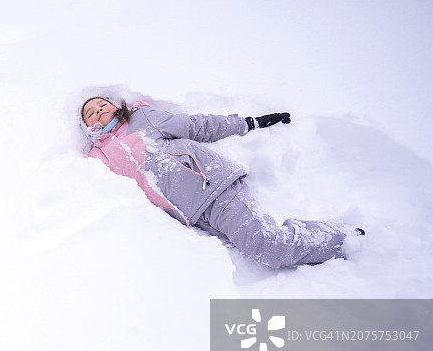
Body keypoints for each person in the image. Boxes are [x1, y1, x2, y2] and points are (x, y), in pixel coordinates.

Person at [79, 96, 364, 268]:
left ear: (117, 107)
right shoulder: (98, 156)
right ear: (86, 126)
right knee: (257, 248)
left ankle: (345, 238)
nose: (98, 111)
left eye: (102, 105)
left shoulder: (143, 119)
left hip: (213, 189)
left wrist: (250, 123)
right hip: (193, 216)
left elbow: (197, 126)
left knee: (268, 247)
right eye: (90, 113)